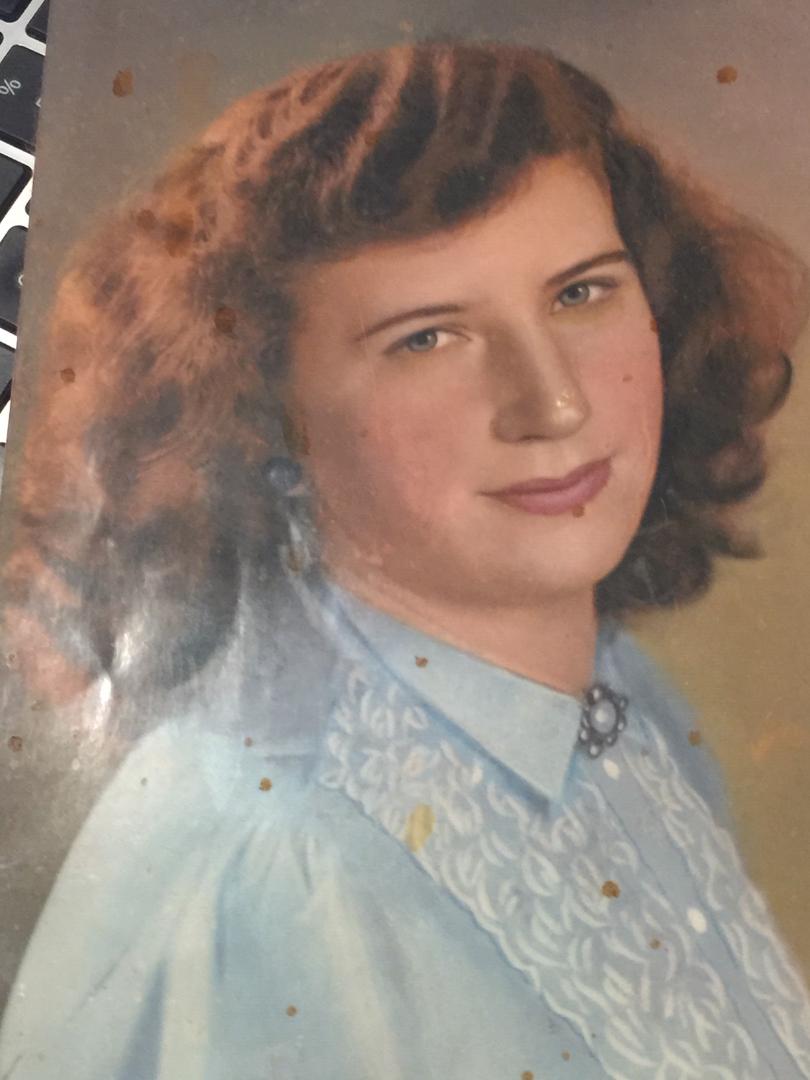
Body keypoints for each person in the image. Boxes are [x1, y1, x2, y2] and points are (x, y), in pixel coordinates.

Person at [1, 40, 809, 1080]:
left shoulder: (629, 711)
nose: (555, 401)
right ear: (265, 420)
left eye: (580, 293)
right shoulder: (267, 868)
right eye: (427, 338)